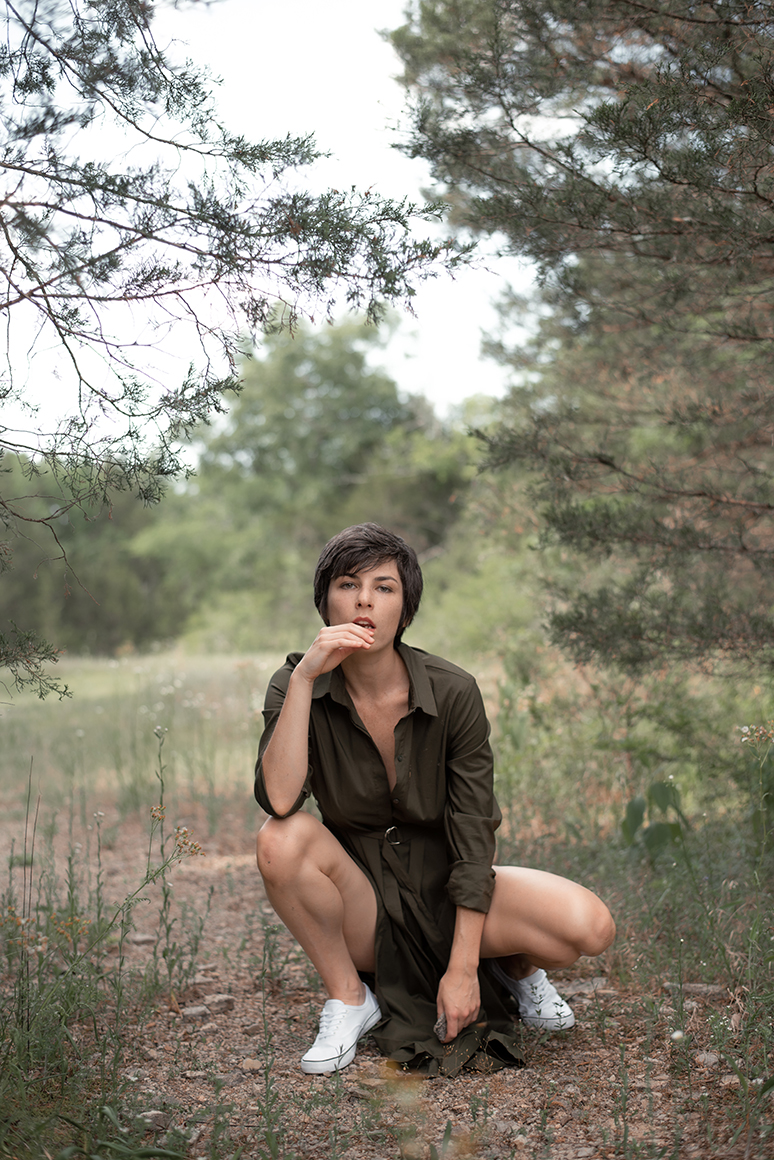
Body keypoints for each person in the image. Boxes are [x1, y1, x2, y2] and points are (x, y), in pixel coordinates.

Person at [254, 524, 615, 1077]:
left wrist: (464, 967)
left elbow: (473, 826)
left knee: (588, 927)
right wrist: (304, 679)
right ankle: (350, 998)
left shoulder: (453, 690)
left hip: (445, 886)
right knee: (280, 838)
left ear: (406, 608)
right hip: (364, 901)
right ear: (325, 601)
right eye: (348, 585)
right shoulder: (295, 683)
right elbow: (279, 799)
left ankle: (508, 968)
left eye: (384, 587)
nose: (365, 601)